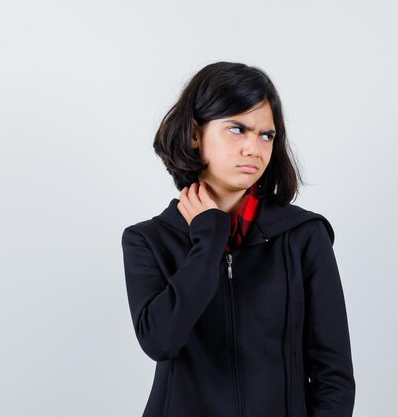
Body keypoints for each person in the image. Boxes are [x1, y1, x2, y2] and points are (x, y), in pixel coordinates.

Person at [121, 61, 355, 417]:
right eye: (237, 129)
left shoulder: (303, 235)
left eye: (266, 135)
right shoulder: (148, 240)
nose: (254, 149)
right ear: (195, 134)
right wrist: (209, 239)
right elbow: (161, 340)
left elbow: (333, 374)